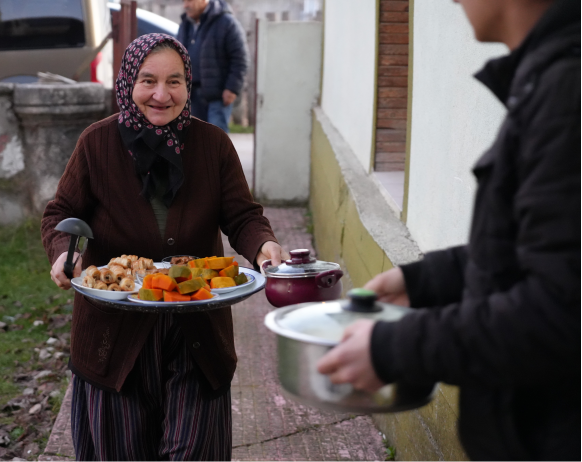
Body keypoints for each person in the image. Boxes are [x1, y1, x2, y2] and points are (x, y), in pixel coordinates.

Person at [317, 0, 579, 461]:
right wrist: (425, 281)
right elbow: (529, 251)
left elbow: (559, 311)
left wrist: (393, 347)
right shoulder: (549, 78)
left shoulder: (566, 93)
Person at [41, 33, 286, 461]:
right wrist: (65, 253)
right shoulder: (97, 144)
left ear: (189, 86)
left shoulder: (212, 145)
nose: (161, 94)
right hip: (114, 337)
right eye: (148, 80)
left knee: (195, 450)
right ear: (126, 85)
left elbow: (243, 217)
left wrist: (264, 247)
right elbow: (59, 213)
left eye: (175, 81)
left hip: (196, 331)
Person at [177, 0, 248, 132]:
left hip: (218, 97)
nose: (185, 5)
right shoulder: (185, 25)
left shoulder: (226, 22)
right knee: (194, 140)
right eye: (184, 1)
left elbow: (240, 59)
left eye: (189, 1)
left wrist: (232, 89)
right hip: (191, 96)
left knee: (215, 142)